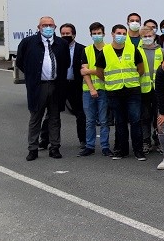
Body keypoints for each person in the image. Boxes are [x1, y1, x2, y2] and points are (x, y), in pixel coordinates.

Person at [17, 16, 71, 161]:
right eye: (44, 25)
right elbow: (21, 62)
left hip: (55, 86)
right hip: (37, 87)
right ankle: (33, 149)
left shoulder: (61, 44)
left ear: (55, 27)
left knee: (55, 118)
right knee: (35, 118)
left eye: (51, 25)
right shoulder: (28, 43)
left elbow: (66, 63)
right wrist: (33, 76)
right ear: (39, 27)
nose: (48, 27)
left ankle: (54, 147)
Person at [105, 24, 147, 160]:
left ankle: (138, 150)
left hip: (132, 91)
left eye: (124, 33)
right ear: (112, 34)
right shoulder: (106, 51)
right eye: (118, 33)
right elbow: (100, 71)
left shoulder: (133, 49)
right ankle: (122, 150)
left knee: (135, 121)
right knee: (120, 122)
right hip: (115, 92)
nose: (121, 36)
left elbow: (141, 69)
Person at [79, 22, 111, 156]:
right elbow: (83, 72)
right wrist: (92, 89)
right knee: (90, 120)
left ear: (104, 34)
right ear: (90, 35)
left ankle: (105, 147)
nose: (97, 36)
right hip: (88, 90)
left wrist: (90, 70)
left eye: (99, 33)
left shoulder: (109, 50)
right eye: (94, 34)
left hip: (105, 89)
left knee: (104, 121)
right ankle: (89, 146)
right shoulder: (86, 50)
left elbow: (105, 72)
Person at [59, 23, 87, 151]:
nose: (65, 36)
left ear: (74, 35)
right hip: (60, 85)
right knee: (52, 113)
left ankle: (83, 140)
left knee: (80, 113)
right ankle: (45, 140)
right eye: (63, 34)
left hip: (76, 85)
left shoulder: (82, 49)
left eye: (68, 34)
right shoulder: (56, 48)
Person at [139, 25, 163, 154]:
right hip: (143, 89)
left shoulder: (161, 51)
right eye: (145, 36)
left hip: (158, 89)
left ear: (154, 36)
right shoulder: (137, 51)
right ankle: (146, 141)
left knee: (158, 116)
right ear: (141, 37)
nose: (148, 38)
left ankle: (159, 141)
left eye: (150, 36)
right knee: (145, 117)